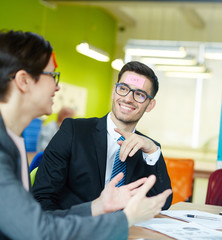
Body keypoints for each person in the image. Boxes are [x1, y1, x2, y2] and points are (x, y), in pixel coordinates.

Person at [0, 30, 172, 239]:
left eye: (138, 94)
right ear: (24, 81)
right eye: (53, 76)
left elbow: (161, 201)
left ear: (150, 104)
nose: (57, 86)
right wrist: (122, 219)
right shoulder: (69, 132)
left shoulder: (12, 139)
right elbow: (38, 225)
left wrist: (99, 206)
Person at [32, 61, 173, 211]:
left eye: (139, 94)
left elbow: (162, 204)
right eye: (123, 88)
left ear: (150, 105)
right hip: (77, 227)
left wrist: (152, 151)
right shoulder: (74, 131)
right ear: (114, 92)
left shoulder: (146, 149)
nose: (128, 98)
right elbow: (42, 197)